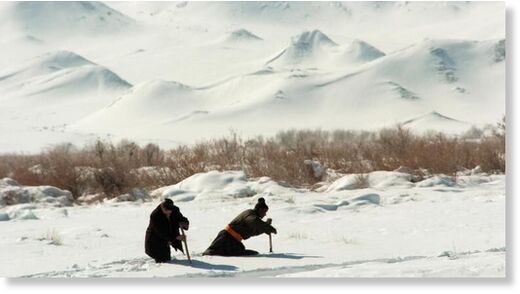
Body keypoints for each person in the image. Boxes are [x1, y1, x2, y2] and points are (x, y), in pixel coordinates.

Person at [203, 197, 277, 256]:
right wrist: (268, 227)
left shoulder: (254, 218)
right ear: (260, 209)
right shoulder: (249, 214)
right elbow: (254, 222)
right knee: (213, 252)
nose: (265, 214)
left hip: (234, 241)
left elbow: (253, 231)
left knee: (250, 253)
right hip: (225, 238)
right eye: (264, 212)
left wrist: (265, 228)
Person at [145, 198, 189, 263]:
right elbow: (160, 232)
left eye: (170, 210)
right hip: (155, 240)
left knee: (167, 258)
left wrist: (185, 223)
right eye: (166, 210)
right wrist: (176, 237)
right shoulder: (155, 215)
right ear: (162, 207)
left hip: (167, 239)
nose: (169, 212)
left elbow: (181, 218)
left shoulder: (175, 210)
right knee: (161, 259)